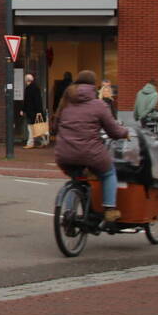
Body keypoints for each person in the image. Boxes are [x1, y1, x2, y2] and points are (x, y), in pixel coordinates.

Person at [52, 69, 129, 222]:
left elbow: (54, 127)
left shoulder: (66, 102)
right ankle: (109, 209)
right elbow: (113, 131)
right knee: (108, 173)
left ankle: (69, 214)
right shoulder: (98, 105)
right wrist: (125, 133)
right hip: (90, 153)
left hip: (64, 155)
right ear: (94, 85)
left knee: (76, 179)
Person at [21, 73, 46, 148]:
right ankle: (43, 141)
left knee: (30, 128)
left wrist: (23, 109)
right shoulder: (36, 88)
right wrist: (39, 111)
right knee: (37, 127)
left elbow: (27, 101)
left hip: (31, 112)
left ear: (27, 80)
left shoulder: (29, 89)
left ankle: (30, 143)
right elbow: (38, 101)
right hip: (35, 111)